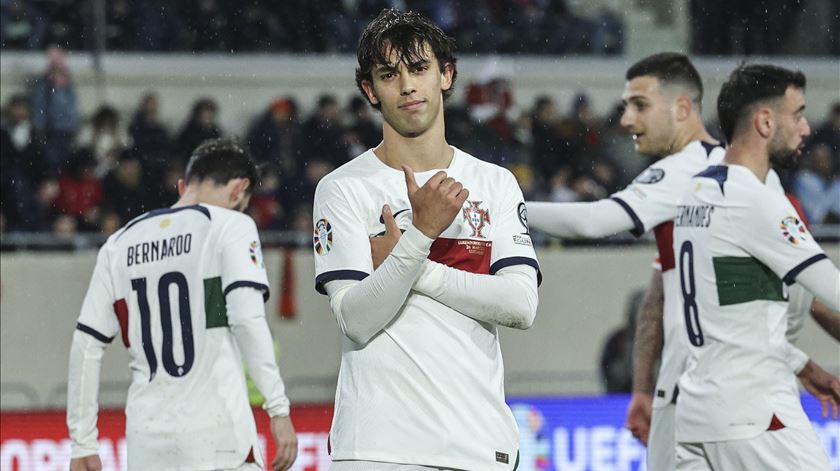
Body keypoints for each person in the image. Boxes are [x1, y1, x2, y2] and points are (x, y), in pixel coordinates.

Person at [525, 52, 826, 470]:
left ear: (683, 107)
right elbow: (669, 298)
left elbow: (595, 222)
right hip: (727, 396)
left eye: (640, 105)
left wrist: (503, 205)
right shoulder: (752, 180)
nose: (627, 119)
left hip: (689, 399)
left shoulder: (692, 174)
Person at [311, 9, 540, 470]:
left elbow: (521, 306)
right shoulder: (343, 188)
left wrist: (413, 256)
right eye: (389, 74)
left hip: (479, 445)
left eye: (419, 69)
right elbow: (355, 318)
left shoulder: (494, 183)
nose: (408, 86)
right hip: (378, 448)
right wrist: (422, 235)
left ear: (446, 76)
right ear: (369, 90)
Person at [66, 138, 297, 471]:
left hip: (147, 443)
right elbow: (247, 319)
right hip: (219, 437)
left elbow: (86, 345)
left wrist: (83, 441)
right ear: (238, 190)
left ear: (182, 187)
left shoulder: (118, 244)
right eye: (243, 204)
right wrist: (278, 408)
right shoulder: (231, 225)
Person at [673, 63, 840, 470]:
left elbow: (735, 312)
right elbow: (833, 291)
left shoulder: (696, 192)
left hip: (699, 414)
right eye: (797, 114)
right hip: (756, 416)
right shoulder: (757, 200)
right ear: (765, 121)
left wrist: (802, 365)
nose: (805, 129)